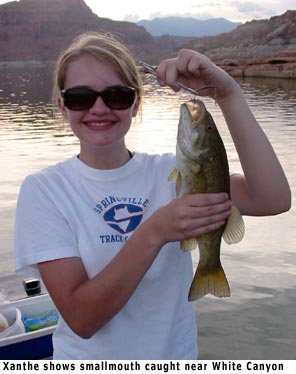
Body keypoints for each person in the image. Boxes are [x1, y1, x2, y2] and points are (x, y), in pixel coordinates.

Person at [14, 32, 291, 360]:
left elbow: (272, 199)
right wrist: (155, 231)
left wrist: (228, 95)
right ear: (62, 106)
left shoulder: (173, 173)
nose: (99, 108)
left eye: (116, 95)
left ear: (136, 104)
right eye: (80, 97)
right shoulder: (45, 191)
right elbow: (82, 319)